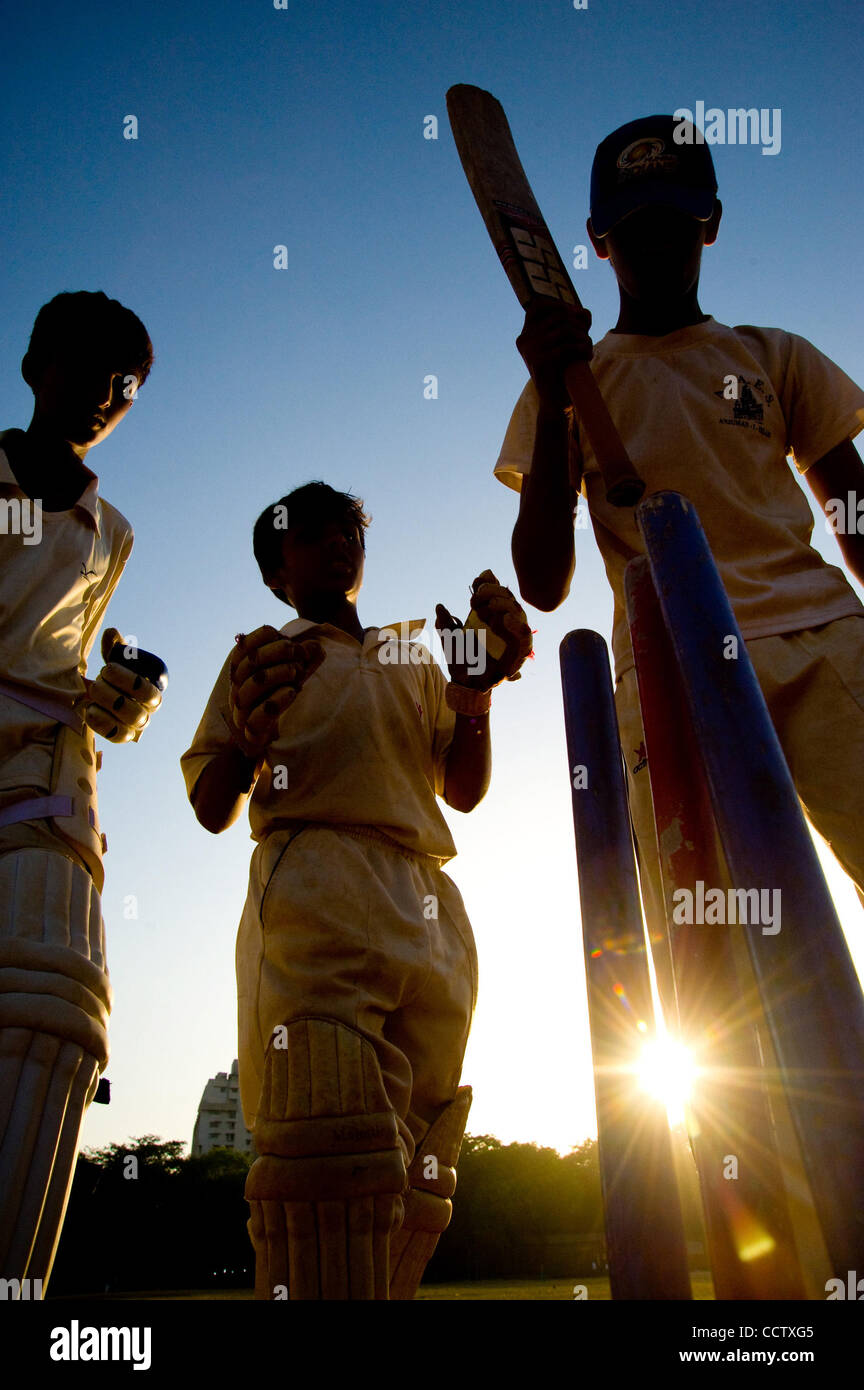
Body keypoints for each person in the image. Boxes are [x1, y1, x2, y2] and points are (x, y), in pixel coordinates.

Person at [496, 114, 864, 928]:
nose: (657, 243)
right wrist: (558, 404)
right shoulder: (567, 387)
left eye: (675, 222)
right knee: (714, 948)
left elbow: (855, 513)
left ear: (712, 224)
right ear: (599, 240)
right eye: (634, 229)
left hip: (821, 638)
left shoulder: (773, 357)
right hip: (670, 665)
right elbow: (542, 580)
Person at [181, 480, 532, 1299]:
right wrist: (248, 735)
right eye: (311, 534)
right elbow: (209, 806)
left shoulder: (413, 656)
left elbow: (465, 790)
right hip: (316, 883)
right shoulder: (259, 656)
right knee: (327, 1159)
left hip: (430, 901)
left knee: (418, 1174)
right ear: (276, 571)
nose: (339, 542)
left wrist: (475, 692)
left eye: (348, 531)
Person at [0, 290, 165, 1292]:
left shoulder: (114, 532)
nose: (110, 391)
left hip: (53, 800)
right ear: (34, 362)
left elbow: (66, 670)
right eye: (94, 363)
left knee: (52, 1028)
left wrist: (123, 700)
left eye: (129, 382)